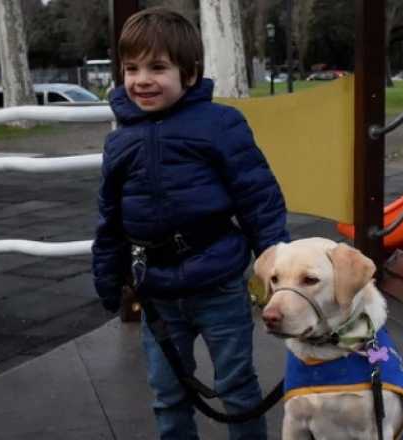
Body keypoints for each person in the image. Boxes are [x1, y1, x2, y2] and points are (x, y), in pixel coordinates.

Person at [91, 7, 289, 440]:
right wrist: (108, 277)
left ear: (191, 74)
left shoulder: (220, 125)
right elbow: (110, 218)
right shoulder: (120, 141)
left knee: (236, 387)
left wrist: (277, 265)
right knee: (167, 393)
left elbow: (258, 197)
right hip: (158, 291)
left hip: (217, 283)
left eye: (158, 67)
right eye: (132, 68)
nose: (142, 79)